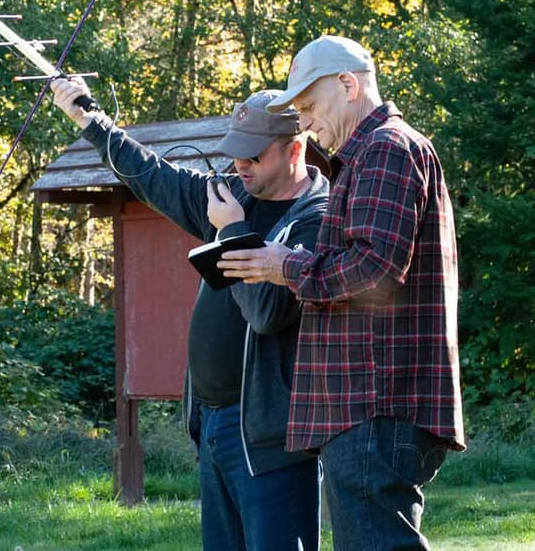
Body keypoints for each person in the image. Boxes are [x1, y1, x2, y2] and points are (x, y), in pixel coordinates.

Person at [50, 78, 328, 551]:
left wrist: (234, 232)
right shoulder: (233, 197)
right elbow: (152, 176)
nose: (240, 165)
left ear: (295, 149)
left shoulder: (317, 218)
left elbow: (267, 314)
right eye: (236, 152)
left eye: (254, 156)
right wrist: (90, 121)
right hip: (215, 424)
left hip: (271, 436)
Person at [216, 35, 465, 550]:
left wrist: (285, 266)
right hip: (367, 405)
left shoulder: (385, 149)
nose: (303, 123)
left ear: (348, 85)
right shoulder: (370, 155)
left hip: (375, 401)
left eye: (308, 106)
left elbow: (373, 269)